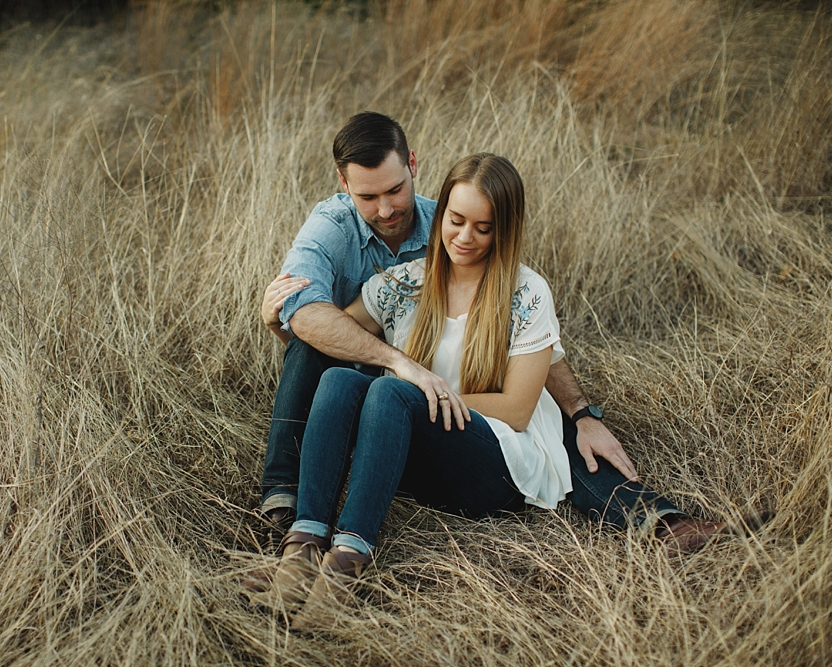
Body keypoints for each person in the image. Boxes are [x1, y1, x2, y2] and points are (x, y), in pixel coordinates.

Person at [257, 112, 725, 558]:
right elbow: (326, 342)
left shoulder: (521, 288)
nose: (464, 237)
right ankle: (295, 515)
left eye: (482, 227)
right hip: (416, 440)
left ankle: (663, 523)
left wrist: (583, 413)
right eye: (456, 223)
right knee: (356, 378)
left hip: (483, 445)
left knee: (546, 423)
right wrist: (281, 324)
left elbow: (531, 384)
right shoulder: (396, 277)